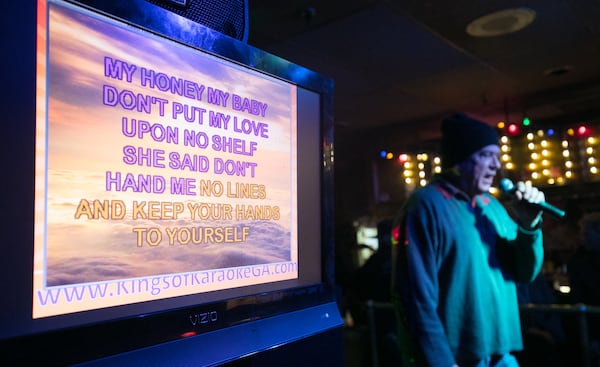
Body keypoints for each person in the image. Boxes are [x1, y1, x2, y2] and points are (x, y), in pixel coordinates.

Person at [391, 113, 547, 367]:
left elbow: (524, 272)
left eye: (497, 157)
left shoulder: (492, 206)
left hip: (502, 354)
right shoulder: (425, 206)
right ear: (459, 159)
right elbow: (415, 298)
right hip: (457, 359)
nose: (496, 166)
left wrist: (529, 226)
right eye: (486, 155)